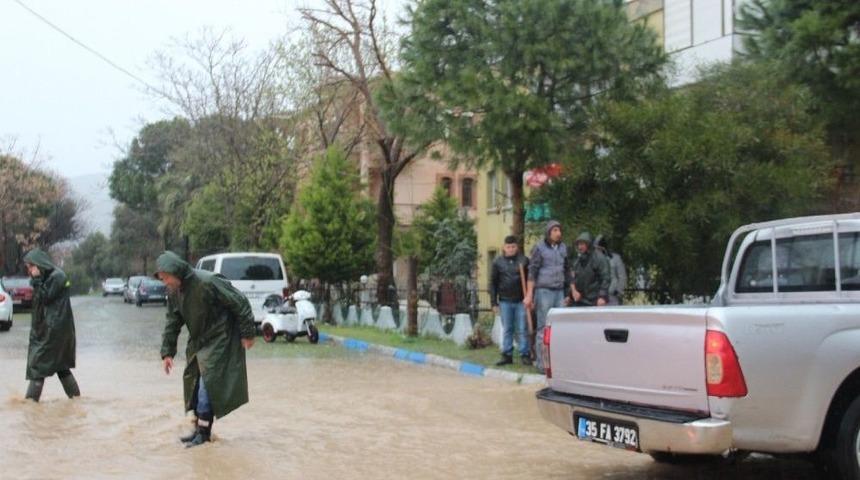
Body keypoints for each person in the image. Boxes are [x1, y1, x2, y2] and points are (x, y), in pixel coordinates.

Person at [156, 251, 256, 448]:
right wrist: (167, 352)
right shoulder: (175, 292)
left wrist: (247, 333)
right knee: (192, 384)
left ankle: (203, 434)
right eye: (162, 279)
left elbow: (240, 302)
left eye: (166, 277)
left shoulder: (208, 282)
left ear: (176, 272)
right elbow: (172, 322)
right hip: (198, 341)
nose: (165, 282)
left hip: (221, 338)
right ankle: (199, 431)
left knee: (206, 387)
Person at [22, 248, 80, 402]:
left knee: (38, 367)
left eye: (30, 266)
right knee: (61, 367)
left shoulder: (57, 276)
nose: (29, 270)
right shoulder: (47, 277)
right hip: (48, 329)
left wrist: (36, 280)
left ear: (38, 264)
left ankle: (30, 406)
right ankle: (76, 402)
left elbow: (45, 298)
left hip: (54, 330)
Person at [524, 221, 572, 371]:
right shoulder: (539, 248)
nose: (559, 233)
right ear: (549, 232)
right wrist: (529, 294)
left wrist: (568, 293)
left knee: (559, 328)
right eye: (555, 230)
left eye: (560, 230)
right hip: (544, 291)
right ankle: (542, 364)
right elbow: (532, 272)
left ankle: (557, 363)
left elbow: (567, 270)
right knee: (544, 328)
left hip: (559, 291)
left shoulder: (563, 248)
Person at [490, 235, 530, 366]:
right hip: (505, 301)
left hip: (521, 301)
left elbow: (530, 281)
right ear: (504, 247)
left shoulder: (524, 261)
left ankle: (525, 354)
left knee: (522, 328)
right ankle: (507, 355)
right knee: (507, 328)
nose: (511, 249)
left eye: (513, 246)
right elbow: (493, 283)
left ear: (517, 247)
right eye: (508, 247)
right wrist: (493, 303)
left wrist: (530, 298)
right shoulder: (497, 262)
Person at [571, 232, 611, 307]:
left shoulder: (599, 258)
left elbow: (606, 278)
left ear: (588, 244)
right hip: (580, 301)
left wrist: (602, 297)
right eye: (578, 244)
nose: (579, 247)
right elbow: (573, 278)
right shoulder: (578, 260)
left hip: (595, 301)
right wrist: (572, 292)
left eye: (582, 244)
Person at [594, 235, 627, 305]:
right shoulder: (594, 260)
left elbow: (622, 276)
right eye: (596, 248)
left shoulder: (616, 258)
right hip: (598, 296)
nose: (597, 250)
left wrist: (618, 291)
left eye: (599, 248)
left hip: (612, 295)